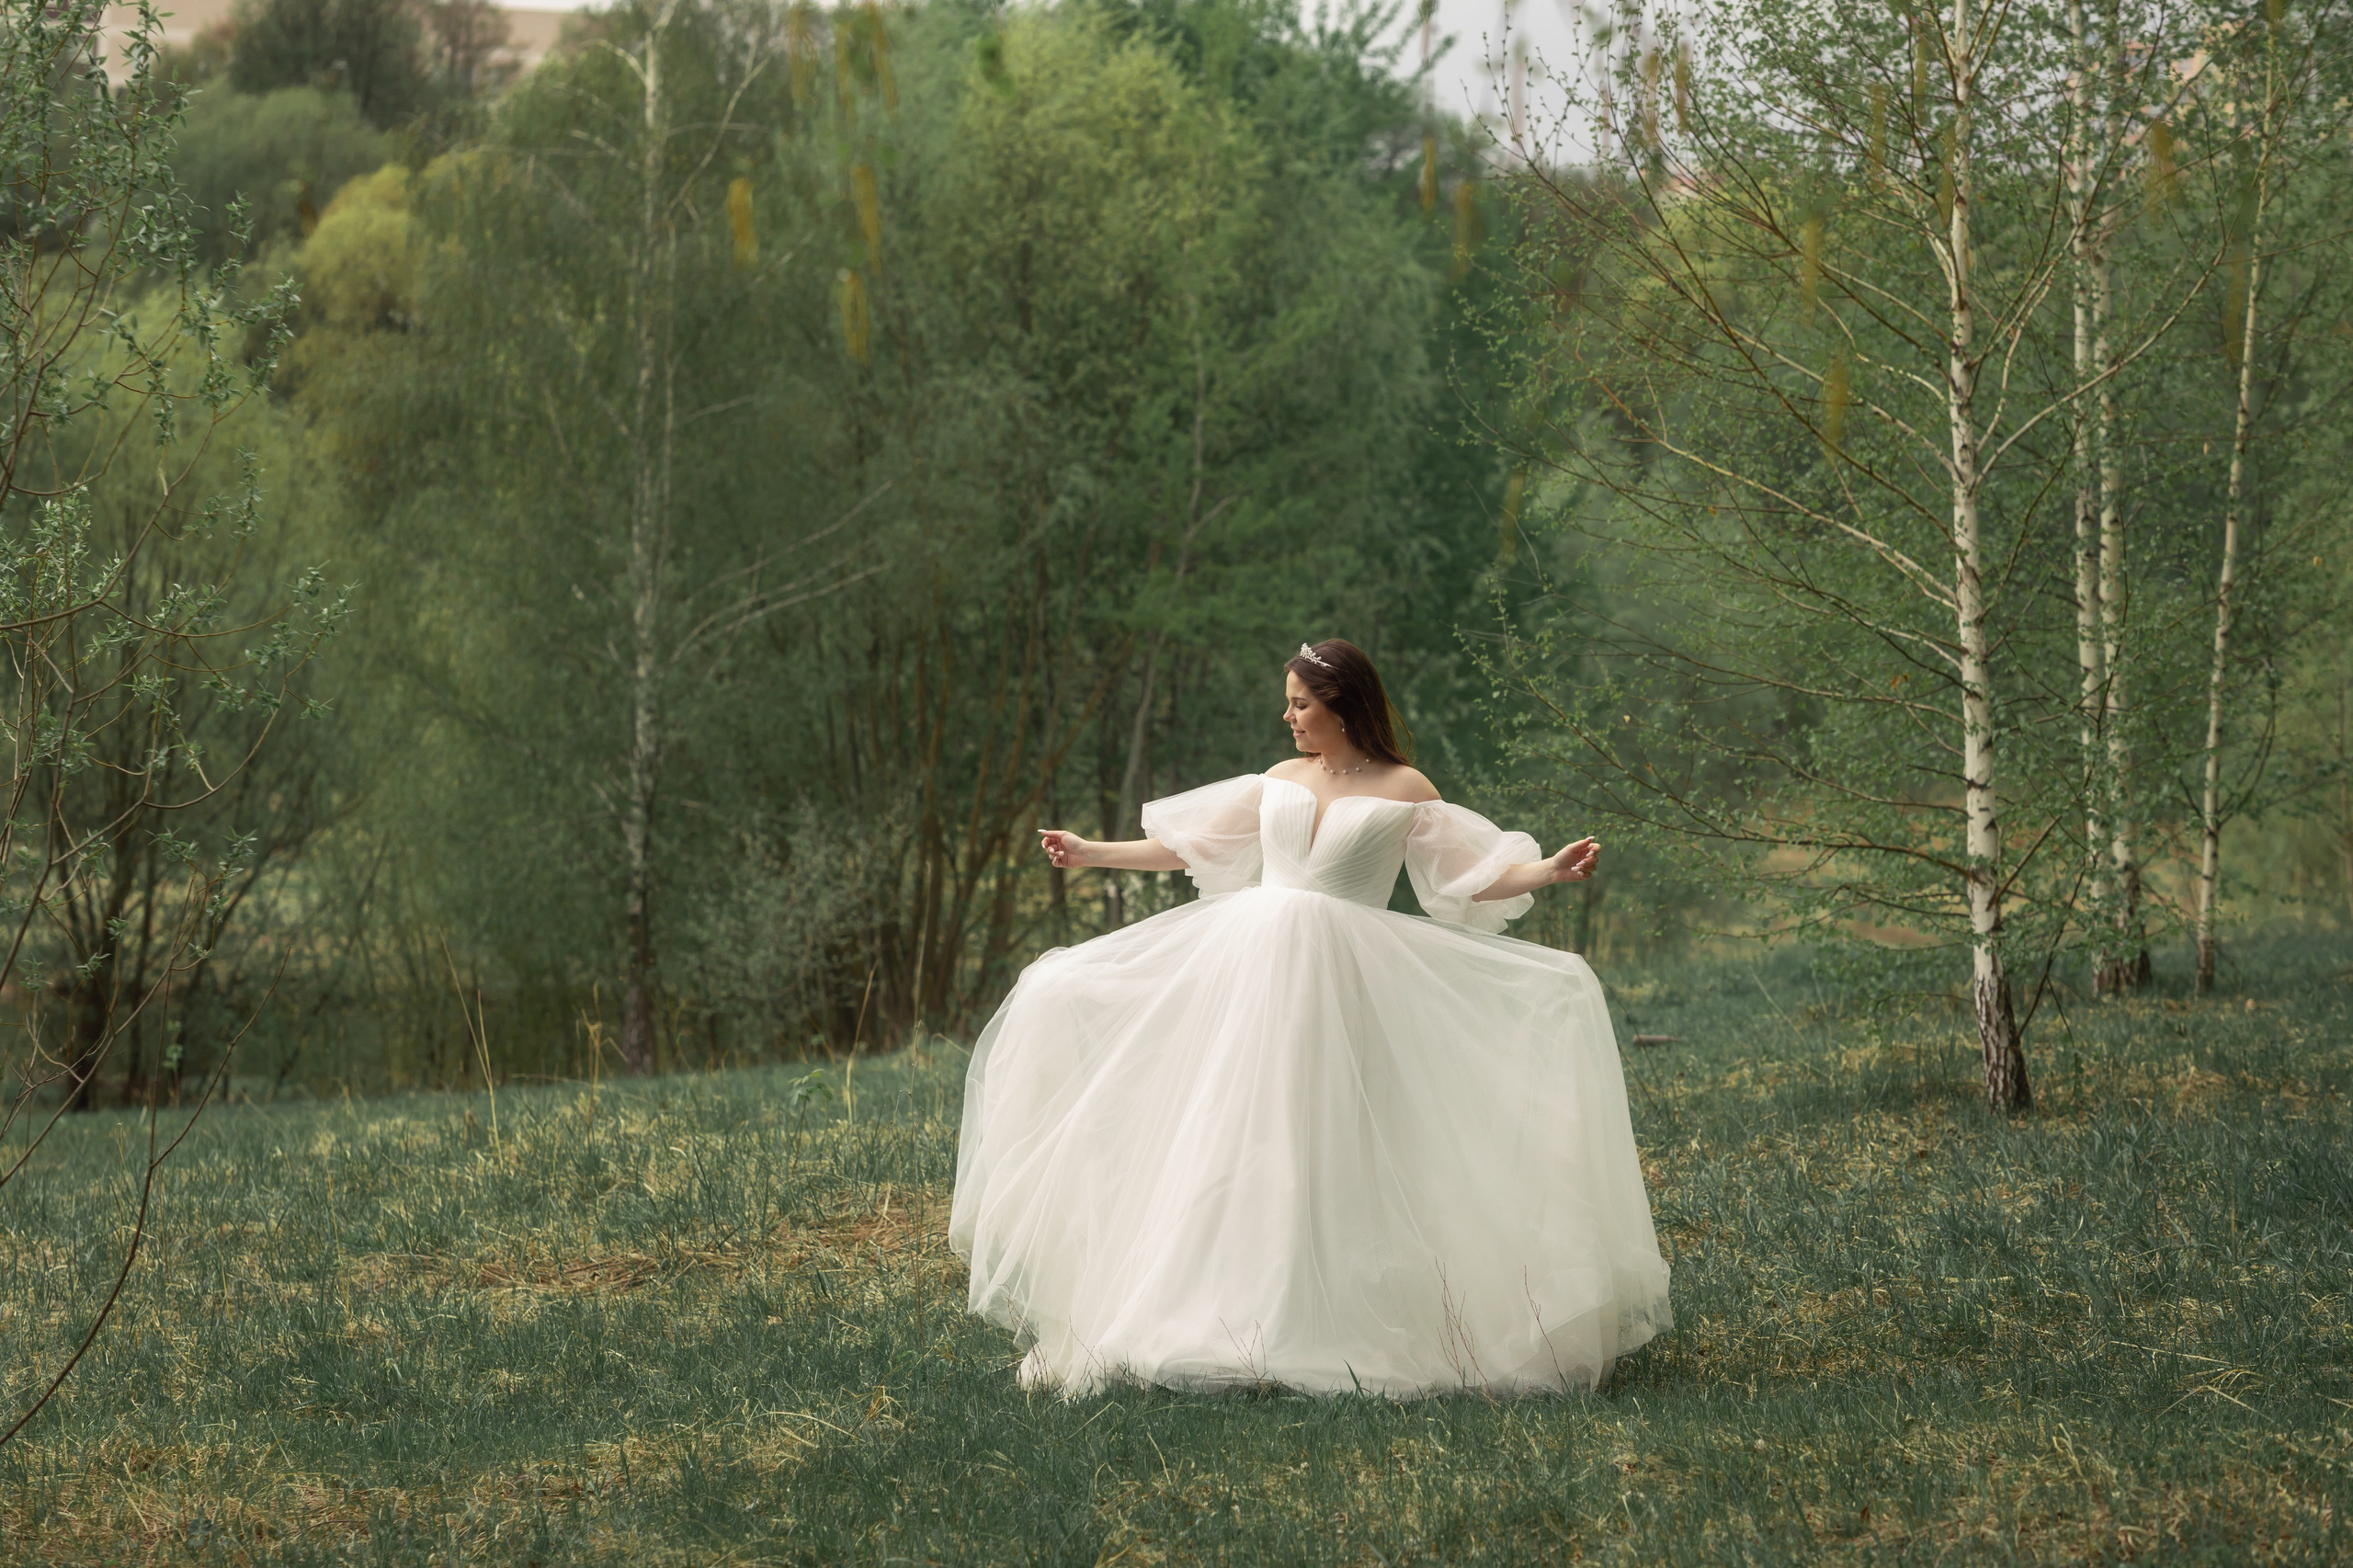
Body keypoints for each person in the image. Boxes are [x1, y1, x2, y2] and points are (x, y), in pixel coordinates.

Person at [949, 639, 1671, 1398]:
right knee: (1235, 1125)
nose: (1287, 716)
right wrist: (1090, 851)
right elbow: (1187, 846)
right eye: (1288, 701)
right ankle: (1217, 1309)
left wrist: (1550, 869)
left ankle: (1340, 1314)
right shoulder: (1278, 780)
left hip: (1344, 977)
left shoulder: (1405, 787)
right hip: (1252, 971)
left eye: (1300, 703)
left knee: (1330, 1132)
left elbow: (1468, 876)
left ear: (1343, 706)